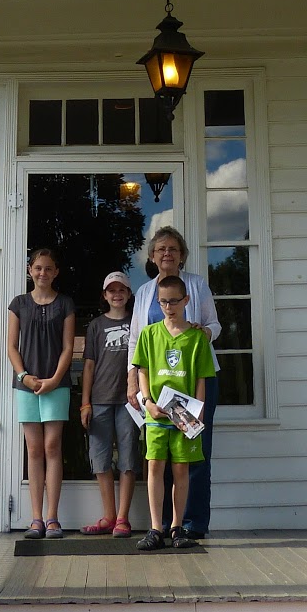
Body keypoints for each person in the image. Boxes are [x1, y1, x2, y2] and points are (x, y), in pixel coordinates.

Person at [127, 226, 221, 538]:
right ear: (152, 257)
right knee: (160, 457)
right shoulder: (144, 292)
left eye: (173, 249)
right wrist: (133, 382)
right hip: (155, 387)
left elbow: (215, 324)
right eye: (161, 249)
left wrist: (203, 333)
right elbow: (136, 341)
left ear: (182, 255)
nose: (167, 253)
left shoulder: (197, 284)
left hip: (194, 381)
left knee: (194, 454)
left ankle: (191, 524)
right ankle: (164, 524)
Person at [7, 248, 75, 539]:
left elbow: (68, 347)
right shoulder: (18, 304)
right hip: (27, 385)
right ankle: (36, 518)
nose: (43, 273)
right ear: (29, 270)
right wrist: (24, 376)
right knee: (33, 449)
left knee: (52, 447)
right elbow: (11, 347)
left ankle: (53, 518)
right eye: (38, 268)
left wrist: (55, 379)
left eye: (48, 268)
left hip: (56, 384)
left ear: (56, 272)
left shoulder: (66, 304)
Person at [79, 271, 140, 538]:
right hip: (100, 400)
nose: (117, 295)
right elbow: (89, 365)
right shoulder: (96, 325)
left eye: (122, 290)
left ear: (129, 294)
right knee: (101, 459)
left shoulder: (137, 322)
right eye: (112, 290)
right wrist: (85, 403)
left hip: (129, 400)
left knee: (128, 459)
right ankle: (109, 516)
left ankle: (123, 518)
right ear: (104, 295)